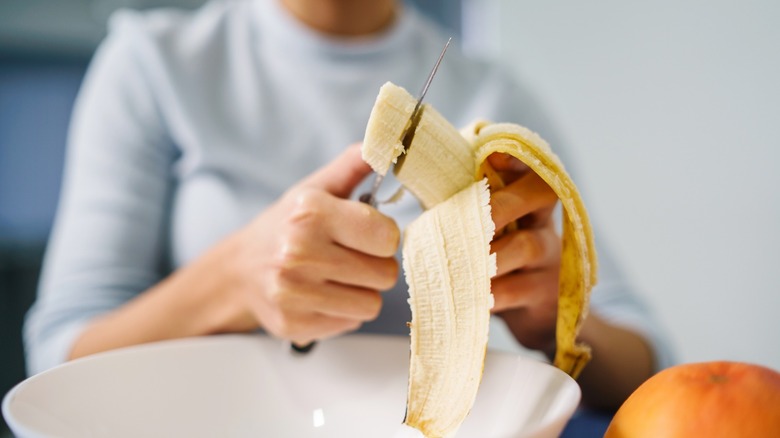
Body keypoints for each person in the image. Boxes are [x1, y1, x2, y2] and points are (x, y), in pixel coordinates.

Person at [25, 0, 674, 410]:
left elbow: (647, 366)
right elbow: (56, 359)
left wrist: (553, 316)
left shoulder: (491, 92)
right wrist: (235, 280)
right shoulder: (151, 64)